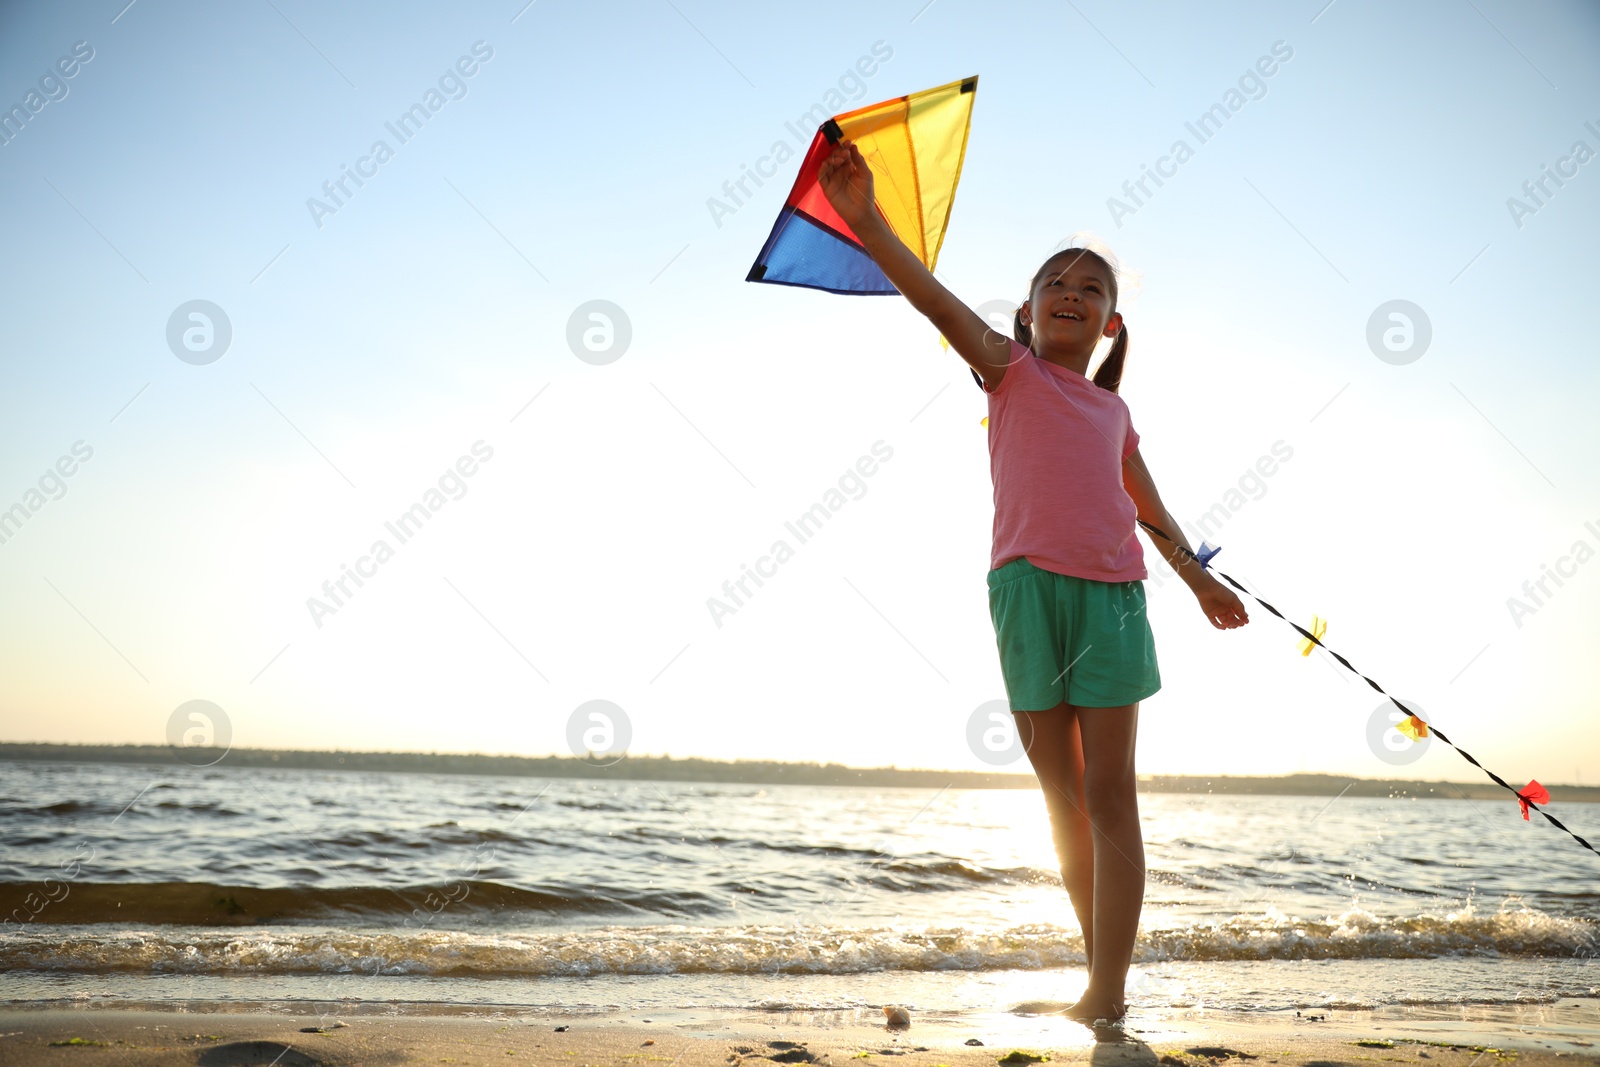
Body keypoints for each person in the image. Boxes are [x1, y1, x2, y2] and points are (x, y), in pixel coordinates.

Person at [818, 139, 1251, 1026]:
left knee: (1109, 793)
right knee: (1061, 800)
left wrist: (1200, 583)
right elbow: (934, 299)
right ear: (1024, 311)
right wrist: (867, 221)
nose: (1074, 294)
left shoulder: (1116, 411)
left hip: (1113, 599)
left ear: (1111, 326)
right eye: (1058, 281)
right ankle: (1099, 973)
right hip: (1024, 594)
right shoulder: (1008, 372)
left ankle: (1108, 990)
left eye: (1093, 289)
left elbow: (1151, 508)